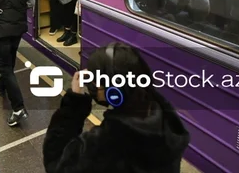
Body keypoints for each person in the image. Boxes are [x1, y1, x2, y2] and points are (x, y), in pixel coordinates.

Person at [43, 43, 190, 173]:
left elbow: (55, 162)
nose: (92, 83)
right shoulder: (164, 119)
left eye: (96, 80)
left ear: (114, 92)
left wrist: (74, 103)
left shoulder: (109, 142)